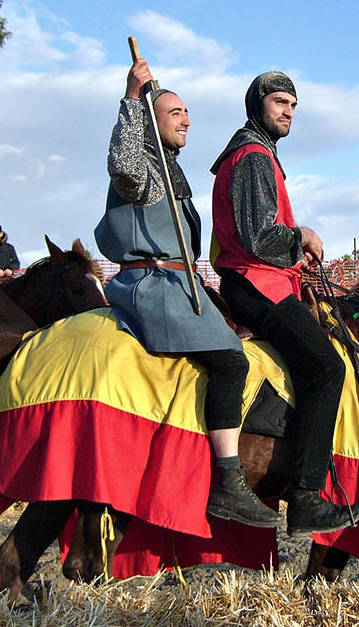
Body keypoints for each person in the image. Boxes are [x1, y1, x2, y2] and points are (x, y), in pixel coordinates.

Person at [94, 59, 279, 528]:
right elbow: (123, 164)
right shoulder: (142, 167)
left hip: (182, 282)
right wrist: (133, 100)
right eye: (175, 112)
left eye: (187, 112)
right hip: (151, 285)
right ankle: (228, 480)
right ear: (152, 122)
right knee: (231, 359)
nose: (187, 119)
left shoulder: (173, 172)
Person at [210, 71, 359, 536]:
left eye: (294, 106)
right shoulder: (253, 156)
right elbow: (259, 238)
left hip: (265, 279)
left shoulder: (259, 155)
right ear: (256, 105)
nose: (288, 112)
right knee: (326, 367)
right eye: (280, 102)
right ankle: (304, 498)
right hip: (255, 281)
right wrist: (302, 236)